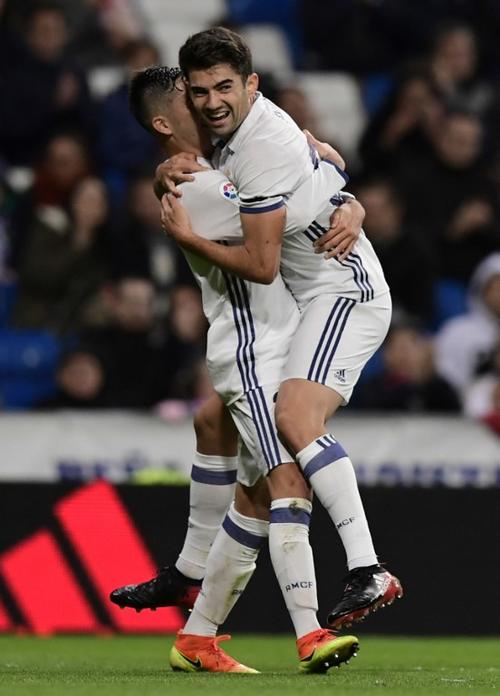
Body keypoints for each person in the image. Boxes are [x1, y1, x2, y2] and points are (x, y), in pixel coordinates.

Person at [110, 66, 362, 673]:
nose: (208, 104)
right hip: (252, 351)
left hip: (277, 344)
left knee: (252, 496)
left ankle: (196, 636)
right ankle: (310, 634)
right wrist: (336, 183)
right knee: (288, 484)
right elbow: (277, 223)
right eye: (190, 98)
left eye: (210, 93)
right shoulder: (196, 188)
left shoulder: (219, 168)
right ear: (165, 122)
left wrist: (346, 197)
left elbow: (292, 177)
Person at [159, 26, 402, 638]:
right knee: (232, 445)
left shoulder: (255, 147)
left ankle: (368, 569)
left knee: (294, 421)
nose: (213, 101)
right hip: (309, 300)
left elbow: (264, 264)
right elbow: (331, 163)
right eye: (201, 91)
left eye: (225, 87)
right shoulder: (236, 139)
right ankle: (197, 626)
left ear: (252, 85)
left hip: (341, 291)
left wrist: (188, 238)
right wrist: (345, 196)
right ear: (185, 96)